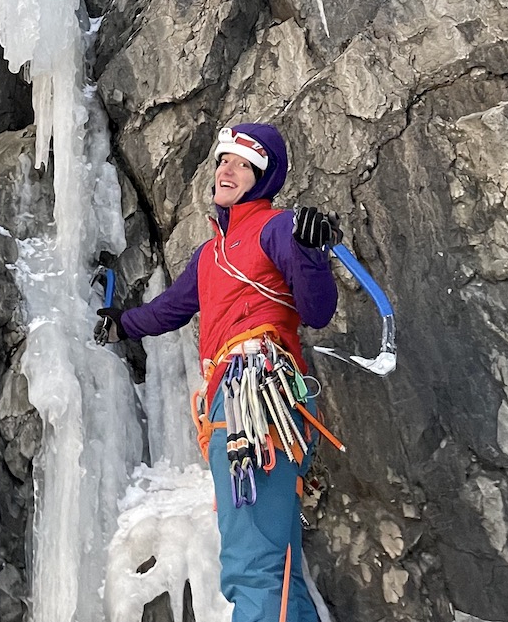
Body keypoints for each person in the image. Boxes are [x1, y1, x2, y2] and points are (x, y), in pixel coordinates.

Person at [96, 121, 340, 622]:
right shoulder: (211, 254)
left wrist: (311, 253)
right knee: (276, 564)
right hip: (246, 403)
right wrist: (122, 325)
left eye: (244, 164)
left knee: (251, 564)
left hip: (255, 393)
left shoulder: (276, 226)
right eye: (224, 160)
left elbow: (316, 310)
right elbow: (170, 308)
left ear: (263, 180)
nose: (227, 169)